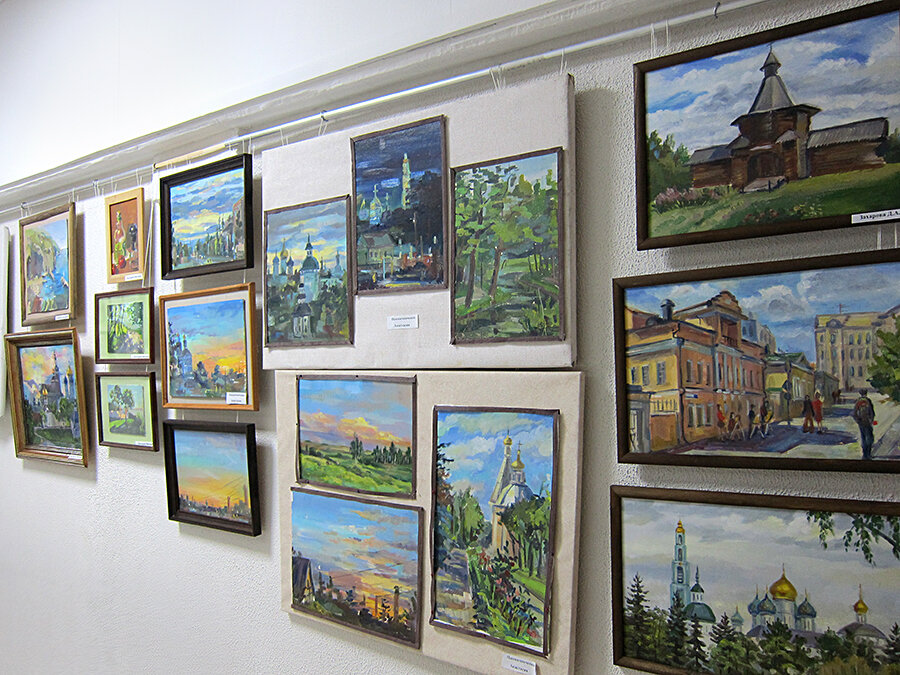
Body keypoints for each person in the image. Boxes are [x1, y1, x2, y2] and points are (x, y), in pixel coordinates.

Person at [852, 389, 876, 459]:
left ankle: (865, 455)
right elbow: (872, 412)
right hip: (867, 422)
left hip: (861, 422)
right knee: (870, 438)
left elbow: (854, 413)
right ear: (866, 393)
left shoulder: (858, 401)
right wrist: (871, 420)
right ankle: (868, 454)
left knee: (864, 438)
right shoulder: (868, 401)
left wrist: (858, 421)